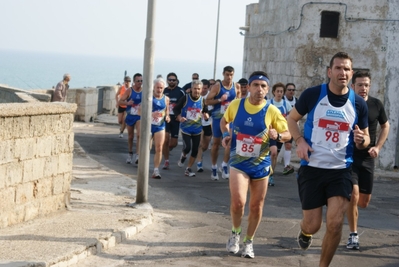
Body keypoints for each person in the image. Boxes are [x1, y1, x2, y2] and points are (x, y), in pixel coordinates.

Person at [287, 52, 370, 267]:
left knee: (334, 223)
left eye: (346, 69)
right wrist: (300, 141)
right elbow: (292, 119)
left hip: (341, 170)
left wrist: (363, 140)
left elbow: (366, 139)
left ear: (351, 73)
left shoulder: (359, 104)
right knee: (313, 225)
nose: (342, 73)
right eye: (338, 68)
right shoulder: (313, 95)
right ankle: (305, 231)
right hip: (312, 168)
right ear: (329, 71)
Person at [221, 71, 291, 258]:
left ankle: (249, 241)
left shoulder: (271, 111)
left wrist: (278, 136)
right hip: (238, 162)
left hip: (260, 164)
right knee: (238, 202)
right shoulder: (237, 105)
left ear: (267, 89)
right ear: (248, 87)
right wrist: (226, 135)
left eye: (263, 86)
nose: (259, 89)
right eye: (256, 85)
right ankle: (235, 233)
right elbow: (224, 121)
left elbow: (288, 134)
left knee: (256, 206)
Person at [346, 71, 390, 250]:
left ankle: (347, 208)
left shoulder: (376, 104)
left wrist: (378, 147)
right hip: (349, 157)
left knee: (363, 202)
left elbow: (385, 126)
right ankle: (353, 235)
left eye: (366, 85)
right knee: (353, 195)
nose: (363, 88)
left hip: (367, 158)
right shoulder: (347, 104)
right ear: (353, 86)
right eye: (360, 85)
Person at [205, 66, 241, 180]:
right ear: (223, 74)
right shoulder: (217, 86)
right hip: (218, 118)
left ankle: (225, 165)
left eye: (231, 75)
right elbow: (207, 101)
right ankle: (214, 167)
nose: (229, 77)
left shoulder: (237, 86)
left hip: (230, 119)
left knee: (230, 142)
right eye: (227, 75)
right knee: (216, 144)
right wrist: (220, 99)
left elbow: (238, 103)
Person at [173, 80, 207, 177]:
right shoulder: (185, 98)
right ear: (191, 89)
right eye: (195, 88)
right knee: (187, 148)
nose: (196, 91)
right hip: (186, 128)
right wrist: (179, 117)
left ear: (201, 90)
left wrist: (206, 115)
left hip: (197, 129)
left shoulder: (202, 100)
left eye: (198, 89)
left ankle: (188, 169)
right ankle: (183, 156)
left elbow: (206, 111)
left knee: (195, 150)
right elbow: (176, 109)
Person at [268, 82, 294, 186]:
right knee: (273, 153)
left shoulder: (286, 104)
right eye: (277, 91)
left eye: (281, 91)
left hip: (283, 133)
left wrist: (289, 119)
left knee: (276, 154)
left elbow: (292, 116)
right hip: (272, 133)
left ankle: (272, 174)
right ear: (273, 92)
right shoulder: (269, 103)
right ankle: (269, 175)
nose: (279, 93)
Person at [162, 73, 186, 170]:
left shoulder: (181, 91)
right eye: (170, 80)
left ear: (176, 81)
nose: (172, 81)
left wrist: (180, 115)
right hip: (166, 118)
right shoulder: (164, 91)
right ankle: (166, 161)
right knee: (166, 139)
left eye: (173, 80)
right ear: (167, 80)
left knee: (173, 143)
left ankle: (168, 148)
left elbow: (186, 104)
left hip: (176, 119)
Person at [119, 73, 143, 164]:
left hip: (139, 116)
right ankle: (130, 153)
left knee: (139, 135)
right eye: (138, 81)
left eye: (141, 81)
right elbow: (121, 100)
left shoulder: (144, 91)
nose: (140, 83)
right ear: (134, 81)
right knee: (130, 136)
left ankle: (138, 155)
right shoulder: (129, 91)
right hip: (130, 115)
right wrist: (127, 103)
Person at [151, 77, 170, 179]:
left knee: (159, 148)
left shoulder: (166, 99)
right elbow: (140, 111)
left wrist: (167, 116)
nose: (159, 90)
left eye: (161, 88)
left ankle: (156, 170)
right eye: (157, 88)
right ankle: (142, 166)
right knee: (147, 148)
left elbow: (167, 110)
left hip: (160, 125)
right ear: (153, 87)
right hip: (148, 125)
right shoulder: (148, 98)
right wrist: (151, 114)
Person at [196, 79, 213, 172]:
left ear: (208, 88)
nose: (203, 90)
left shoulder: (210, 96)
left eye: (205, 88)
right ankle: (199, 163)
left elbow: (214, 109)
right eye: (202, 88)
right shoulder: (196, 95)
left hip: (207, 123)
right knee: (200, 144)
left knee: (205, 146)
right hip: (197, 123)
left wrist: (208, 114)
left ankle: (201, 154)